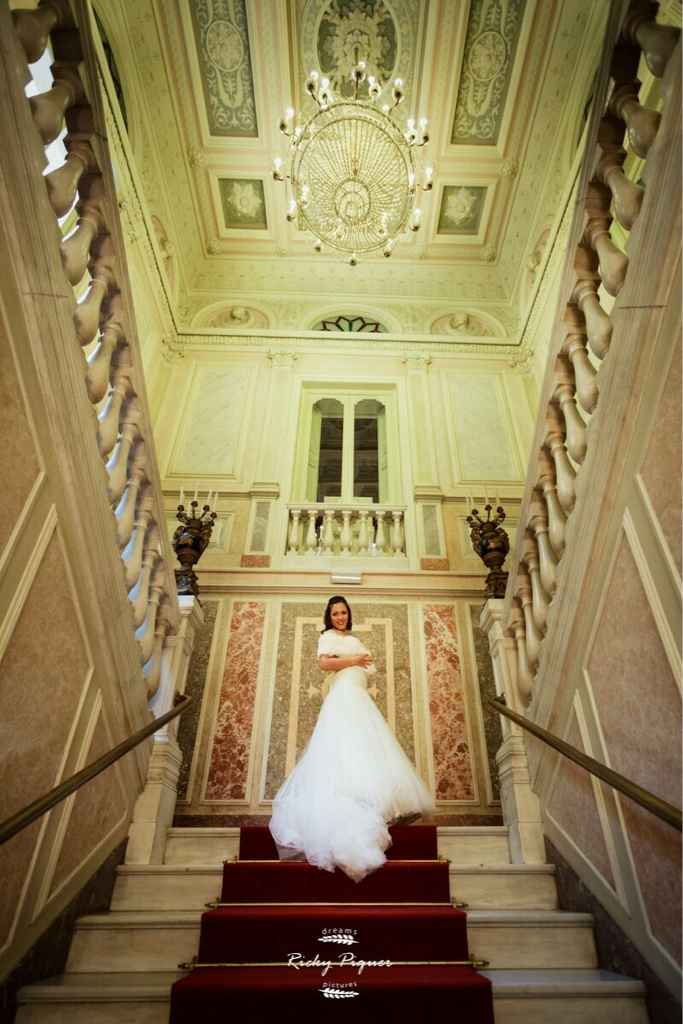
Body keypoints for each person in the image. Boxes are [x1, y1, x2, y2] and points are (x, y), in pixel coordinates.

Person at [269, 596, 435, 882]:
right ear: (329, 616)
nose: (340, 617)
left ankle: (369, 807)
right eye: (335, 613)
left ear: (348, 614)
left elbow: (370, 669)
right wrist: (355, 661)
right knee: (341, 747)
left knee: (364, 750)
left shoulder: (354, 639)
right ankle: (343, 816)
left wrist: (354, 663)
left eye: (343, 612)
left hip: (359, 698)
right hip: (343, 697)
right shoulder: (328, 637)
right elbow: (324, 663)